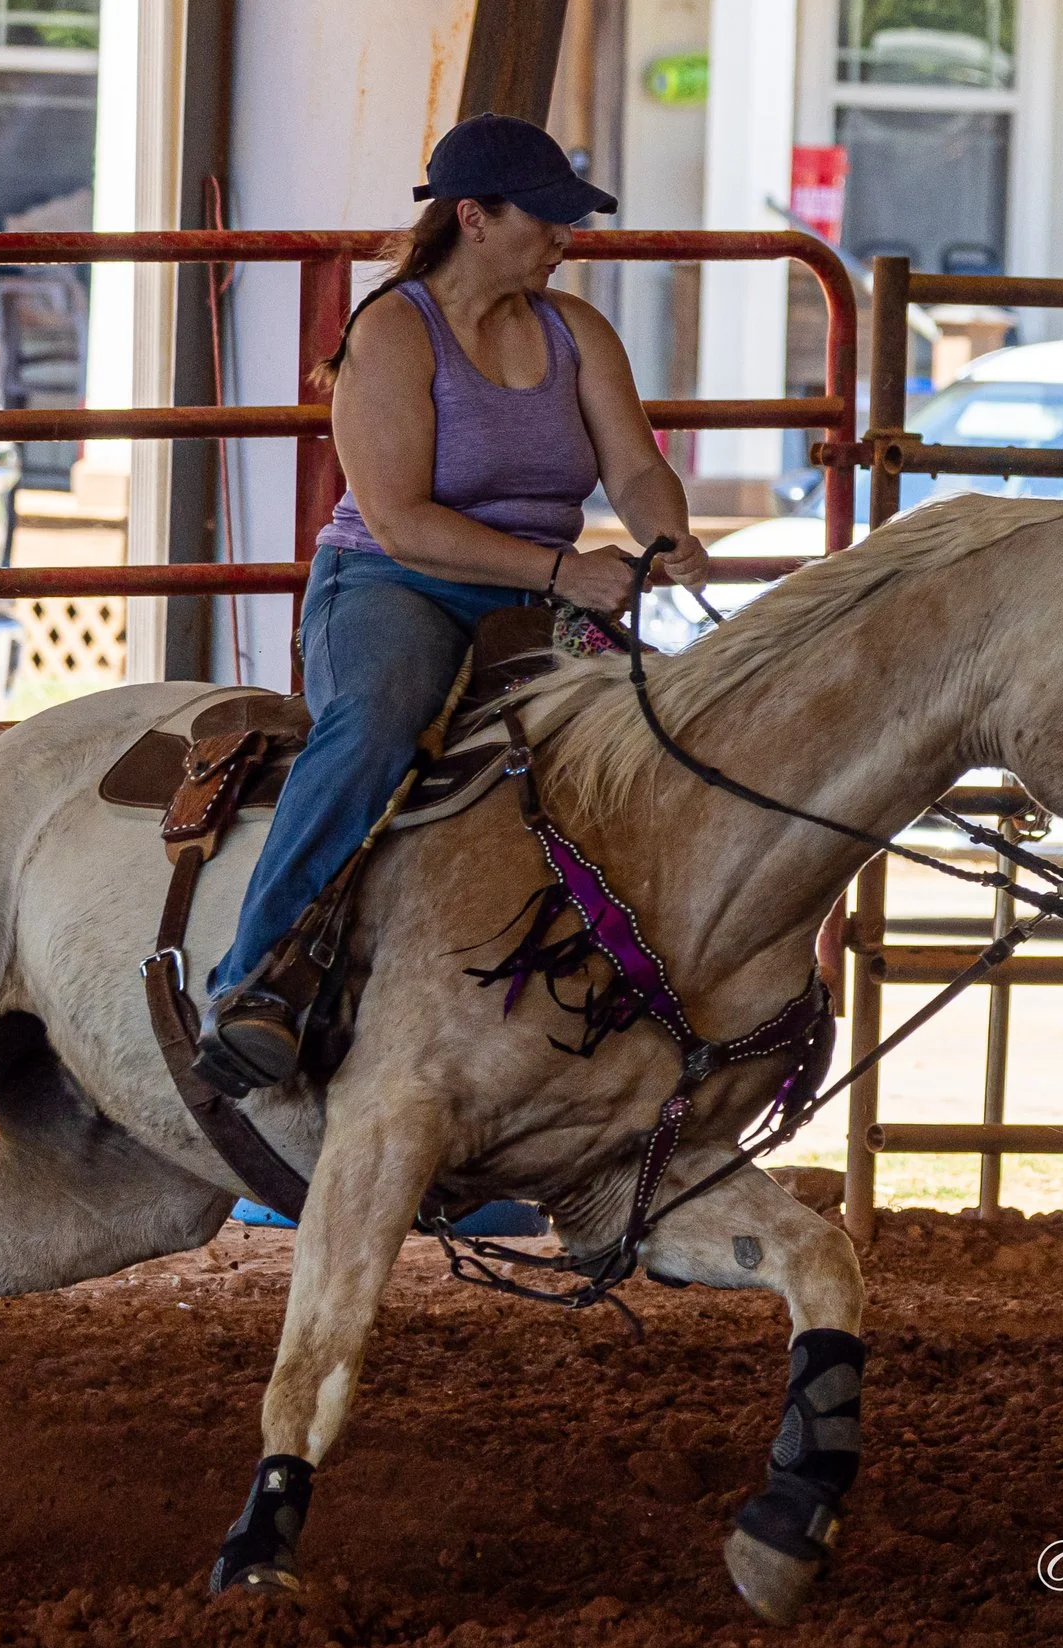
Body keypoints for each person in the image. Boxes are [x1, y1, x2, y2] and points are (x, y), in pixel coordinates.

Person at [195, 112, 710, 1095]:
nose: (564, 239)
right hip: (396, 583)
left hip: (528, 594)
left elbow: (637, 467)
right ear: (473, 218)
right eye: (546, 219)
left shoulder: (577, 331)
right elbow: (399, 522)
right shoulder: (391, 331)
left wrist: (665, 533)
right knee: (377, 720)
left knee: (653, 740)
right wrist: (563, 574)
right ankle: (254, 977)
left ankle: (641, 987)